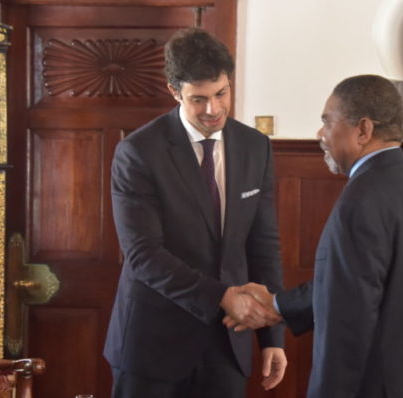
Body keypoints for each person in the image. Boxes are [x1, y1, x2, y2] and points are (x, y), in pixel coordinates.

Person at [225, 75, 403, 398]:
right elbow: (353, 286)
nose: (321, 134)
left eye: (327, 122)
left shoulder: (361, 200)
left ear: (363, 130)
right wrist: (278, 304)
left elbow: (346, 326)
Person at [103, 27, 286, 398]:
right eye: (198, 99)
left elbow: (263, 245)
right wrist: (222, 295)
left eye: (221, 94)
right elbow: (143, 255)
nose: (213, 110)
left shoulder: (256, 148)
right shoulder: (138, 152)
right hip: (152, 345)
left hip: (228, 344)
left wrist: (271, 335)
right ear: (174, 91)